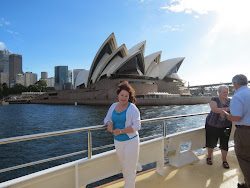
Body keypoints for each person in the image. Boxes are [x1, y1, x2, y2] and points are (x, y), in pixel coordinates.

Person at [104, 81, 141, 188]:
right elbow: (107, 118)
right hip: (118, 141)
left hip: (131, 141)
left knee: (130, 168)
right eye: (122, 95)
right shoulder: (113, 106)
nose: (123, 97)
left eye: (126, 96)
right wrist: (109, 123)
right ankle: (129, 181)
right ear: (118, 95)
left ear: (129, 97)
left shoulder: (132, 108)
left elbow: (137, 126)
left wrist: (121, 131)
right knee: (124, 166)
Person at [222, 74, 250, 188]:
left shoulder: (237, 97)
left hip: (244, 132)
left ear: (234, 84)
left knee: (244, 158)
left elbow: (236, 118)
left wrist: (226, 115)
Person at [205, 85, 232, 169]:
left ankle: (224, 160)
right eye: (224, 92)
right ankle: (209, 157)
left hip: (225, 125)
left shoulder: (230, 100)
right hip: (212, 125)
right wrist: (228, 109)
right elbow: (215, 109)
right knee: (211, 142)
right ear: (219, 92)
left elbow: (233, 110)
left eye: (227, 92)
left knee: (224, 143)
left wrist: (225, 110)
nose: (226, 93)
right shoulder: (214, 99)